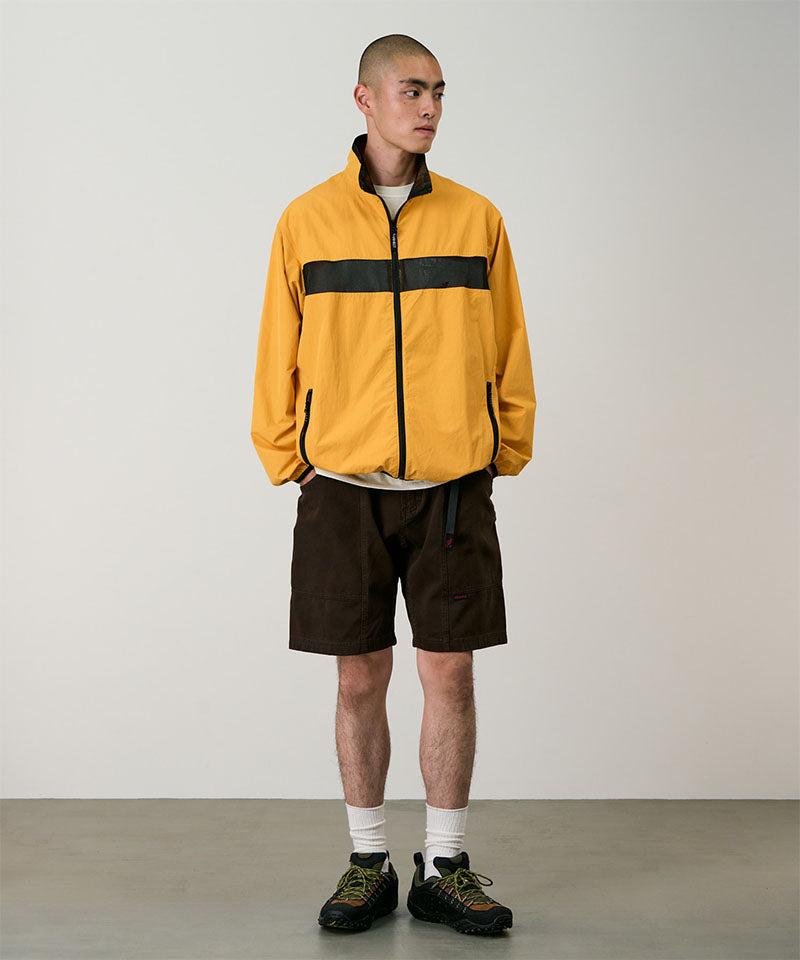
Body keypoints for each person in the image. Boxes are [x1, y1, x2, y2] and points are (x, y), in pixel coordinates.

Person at [250, 33, 536, 937]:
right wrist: (288, 451)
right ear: (365, 99)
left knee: (450, 672)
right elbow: (278, 344)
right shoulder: (306, 220)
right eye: (414, 90)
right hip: (342, 487)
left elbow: (510, 343)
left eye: (440, 92)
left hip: (452, 485)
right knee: (358, 677)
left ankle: (444, 866)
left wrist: (503, 444)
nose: (431, 108)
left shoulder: (477, 218)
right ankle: (367, 862)